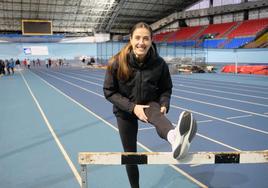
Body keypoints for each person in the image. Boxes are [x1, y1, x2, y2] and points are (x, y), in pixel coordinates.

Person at [103, 22, 197, 188]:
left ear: (151, 40)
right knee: (130, 155)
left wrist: (164, 103)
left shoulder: (159, 64)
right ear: (131, 39)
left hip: (149, 103)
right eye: (137, 38)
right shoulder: (117, 62)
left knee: (158, 116)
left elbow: (166, 88)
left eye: (146, 38)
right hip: (125, 109)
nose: (141, 42)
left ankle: (175, 138)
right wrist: (132, 108)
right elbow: (109, 91)